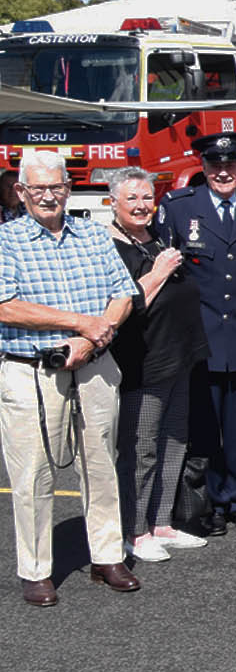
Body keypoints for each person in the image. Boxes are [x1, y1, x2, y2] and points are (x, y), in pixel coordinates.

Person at [0, 150, 141, 606]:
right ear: (20, 192)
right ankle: (36, 569)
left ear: (68, 188)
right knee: (34, 473)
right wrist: (81, 324)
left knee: (100, 464)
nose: (47, 196)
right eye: (37, 188)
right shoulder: (6, 241)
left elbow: (123, 293)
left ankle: (105, 556)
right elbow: (6, 306)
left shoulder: (93, 235)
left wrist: (92, 341)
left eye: (56, 187)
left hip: (94, 366)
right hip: (31, 372)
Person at [165, 131, 236, 535]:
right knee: (204, 426)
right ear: (204, 167)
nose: (224, 172)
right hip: (201, 337)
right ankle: (209, 500)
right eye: (215, 165)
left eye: (231, 164)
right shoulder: (179, 208)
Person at [105, 168, 211, 561]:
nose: (141, 205)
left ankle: (162, 522)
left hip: (178, 357)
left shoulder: (157, 237)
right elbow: (126, 304)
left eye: (147, 197)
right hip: (142, 363)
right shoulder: (110, 246)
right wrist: (160, 271)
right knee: (140, 448)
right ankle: (135, 529)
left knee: (173, 442)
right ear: (113, 202)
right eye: (131, 198)